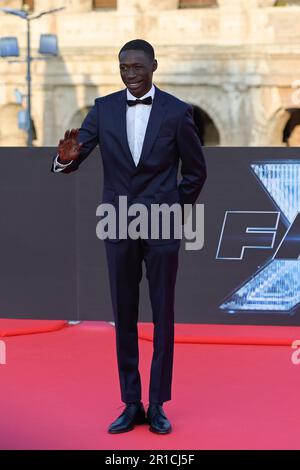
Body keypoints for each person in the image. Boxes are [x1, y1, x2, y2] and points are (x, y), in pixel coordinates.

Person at [51, 39, 206, 434]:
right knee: (123, 314)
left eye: (137, 66)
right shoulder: (102, 110)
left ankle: (157, 405)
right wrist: (65, 159)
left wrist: (170, 207)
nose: (131, 73)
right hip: (118, 224)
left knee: (163, 315)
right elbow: (75, 157)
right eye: (124, 67)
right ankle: (130, 402)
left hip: (162, 226)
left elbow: (195, 172)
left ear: (154, 65)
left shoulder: (176, 111)